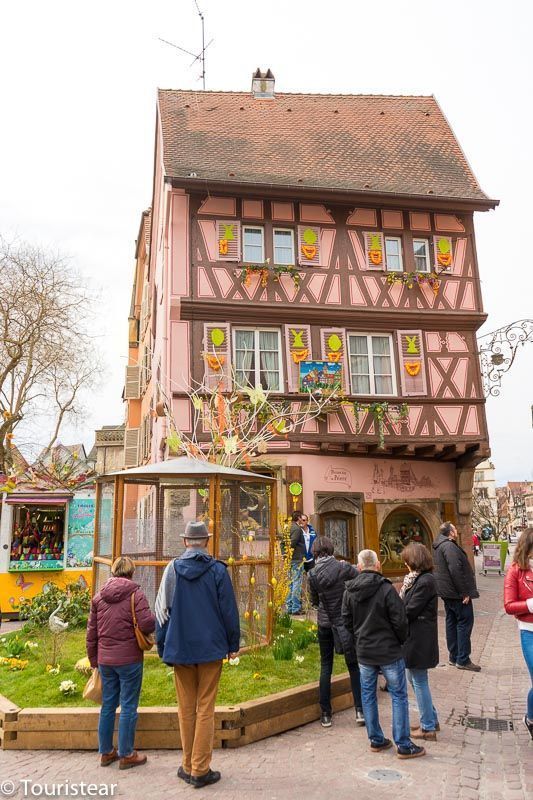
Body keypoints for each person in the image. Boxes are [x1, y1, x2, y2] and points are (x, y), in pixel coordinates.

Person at [155, 521, 240, 789]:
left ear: (185, 542)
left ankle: (187, 764)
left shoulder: (172, 570)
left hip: (180, 648)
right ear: (206, 542)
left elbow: (161, 612)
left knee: (186, 709)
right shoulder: (217, 570)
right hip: (211, 648)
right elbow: (229, 610)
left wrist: (162, 645)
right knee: (205, 707)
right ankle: (200, 769)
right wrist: (233, 643)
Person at [342, 549, 425, 759]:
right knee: (398, 695)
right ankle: (403, 744)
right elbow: (400, 619)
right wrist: (399, 640)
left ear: (359, 567)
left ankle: (376, 739)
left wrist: (359, 639)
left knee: (368, 695)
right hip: (388, 651)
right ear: (377, 565)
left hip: (365, 652)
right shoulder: (386, 589)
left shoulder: (349, 591)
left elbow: (346, 622)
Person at [86, 556, 155, 770]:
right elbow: (147, 624)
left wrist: (93, 660)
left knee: (108, 705)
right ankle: (126, 754)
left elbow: (91, 633)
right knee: (128, 706)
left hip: (105, 661)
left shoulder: (98, 598)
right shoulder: (136, 594)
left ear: (113, 572)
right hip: (130, 660)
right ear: (131, 573)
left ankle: (106, 752)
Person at [308, 536, 364, 728]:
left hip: (325, 622)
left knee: (326, 666)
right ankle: (360, 710)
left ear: (315, 552)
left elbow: (314, 601)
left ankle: (326, 713)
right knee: (353, 666)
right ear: (331, 549)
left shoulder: (312, 574)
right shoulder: (342, 567)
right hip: (344, 622)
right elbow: (360, 577)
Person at [400, 543, 440, 741]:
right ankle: (430, 718)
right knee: (413, 679)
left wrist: (394, 612)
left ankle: (428, 727)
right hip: (415, 637)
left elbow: (410, 609)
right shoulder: (417, 580)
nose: (405, 565)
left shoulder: (425, 581)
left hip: (419, 638)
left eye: (407, 561)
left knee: (418, 680)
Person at [433, 521, 481, 671]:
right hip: (456, 593)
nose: (456, 530)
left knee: (452, 622)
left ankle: (454, 657)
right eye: (454, 528)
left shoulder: (441, 546)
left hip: (448, 592)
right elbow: (455, 569)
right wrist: (464, 592)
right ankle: (463, 659)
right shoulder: (448, 546)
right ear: (451, 533)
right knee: (464, 623)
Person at [503, 527, 533, 741]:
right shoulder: (516, 571)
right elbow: (509, 605)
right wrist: (531, 605)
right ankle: (531, 718)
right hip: (529, 632)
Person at [286, 511, 306, 614]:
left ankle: (289, 607)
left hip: (290, 559)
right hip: (296, 559)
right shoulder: (297, 529)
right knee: (296, 583)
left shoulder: (288, 527)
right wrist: (288, 553)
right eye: (301, 518)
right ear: (298, 518)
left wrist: (285, 555)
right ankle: (295, 608)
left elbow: (283, 542)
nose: (302, 520)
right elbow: (292, 543)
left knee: (290, 583)